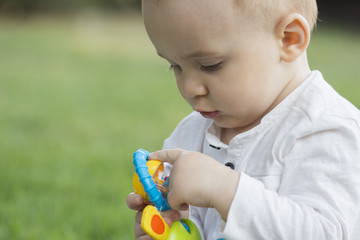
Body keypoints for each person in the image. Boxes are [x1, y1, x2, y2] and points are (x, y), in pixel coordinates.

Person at [127, 0, 360, 239]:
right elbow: (191, 222)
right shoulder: (191, 132)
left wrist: (224, 189)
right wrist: (170, 227)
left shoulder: (328, 130)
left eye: (210, 65)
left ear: (289, 39)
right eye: (175, 66)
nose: (189, 88)